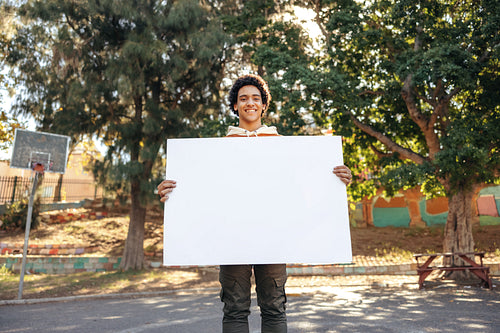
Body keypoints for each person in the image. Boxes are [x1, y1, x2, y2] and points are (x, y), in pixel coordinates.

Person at [158, 74, 352, 333]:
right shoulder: (215, 150)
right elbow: (200, 189)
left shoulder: (286, 147)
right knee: (235, 308)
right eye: (243, 98)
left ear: (264, 105)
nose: (250, 103)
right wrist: (170, 190)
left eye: (256, 98)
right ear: (235, 106)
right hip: (232, 238)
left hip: (273, 237)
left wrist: (336, 179)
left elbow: (305, 184)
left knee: (274, 307)